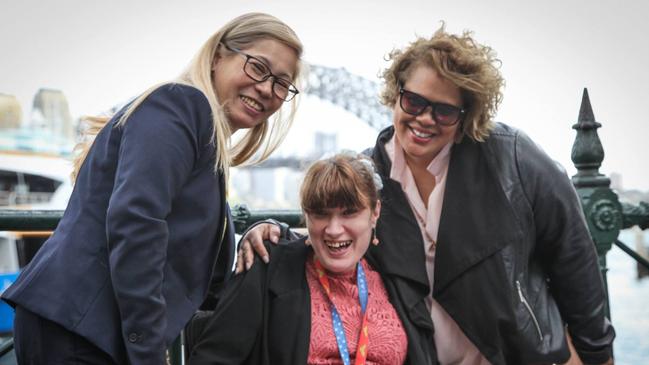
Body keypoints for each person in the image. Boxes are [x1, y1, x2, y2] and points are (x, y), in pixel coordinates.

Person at [238, 25, 616, 365]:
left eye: (444, 111)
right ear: (395, 95)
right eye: (414, 102)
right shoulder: (369, 175)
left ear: (466, 114)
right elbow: (333, 231)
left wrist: (598, 357)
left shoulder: (512, 157)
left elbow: (575, 261)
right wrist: (273, 230)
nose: (424, 119)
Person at [1, 12, 303, 365]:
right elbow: (136, 222)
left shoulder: (204, 140)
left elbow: (204, 278)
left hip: (85, 329)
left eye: (282, 83)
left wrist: (268, 232)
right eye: (257, 67)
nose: (267, 88)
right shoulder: (182, 105)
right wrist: (148, 354)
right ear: (219, 56)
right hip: (80, 330)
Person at [186, 153, 435, 365]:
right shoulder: (268, 267)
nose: (334, 229)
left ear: (375, 213)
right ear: (306, 216)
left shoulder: (394, 276)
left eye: (349, 213)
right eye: (321, 214)